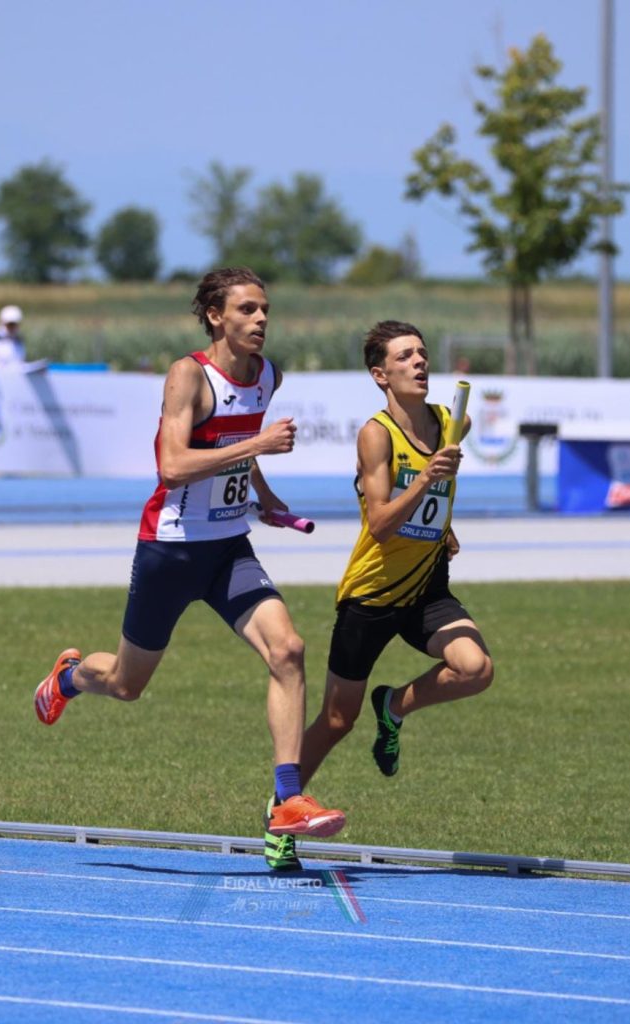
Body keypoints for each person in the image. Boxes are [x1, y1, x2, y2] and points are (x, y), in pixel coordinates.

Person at [34, 267, 346, 841]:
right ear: (215, 316)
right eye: (247, 310)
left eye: (265, 309)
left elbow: (235, 447)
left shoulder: (267, 375)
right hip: (171, 549)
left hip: (228, 547)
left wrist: (267, 499)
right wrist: (259, 444)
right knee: (128, 685)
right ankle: (71, 677)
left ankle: (287, 797)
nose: (260, 320)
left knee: (289, 649)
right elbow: (173, 466)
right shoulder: (188, 376)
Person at [263, 319, 494, 870]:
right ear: (380, 374)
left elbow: (438, 501)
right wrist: (426, 480)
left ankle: (392, 707)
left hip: (426, 588)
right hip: (371, 595)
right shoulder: (376, 433)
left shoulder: (449, 420)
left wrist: (444, 529)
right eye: (405, 356)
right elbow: (383, 523)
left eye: (422, 353)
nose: (420, 362)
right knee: (337, 720)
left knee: (475, 668)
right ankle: (281, 815)